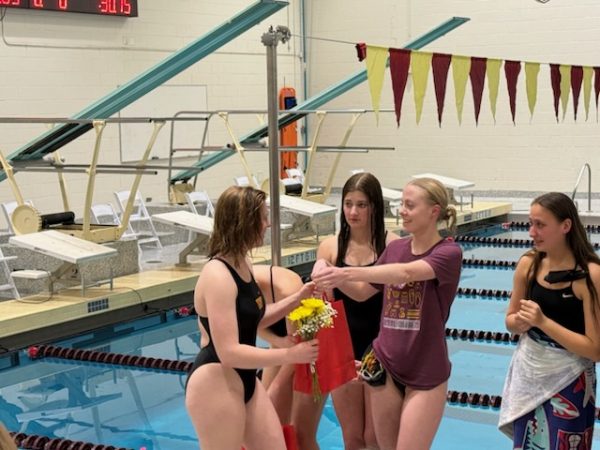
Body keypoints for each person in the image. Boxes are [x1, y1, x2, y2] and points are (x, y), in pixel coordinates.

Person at [312, 177, 462, 450]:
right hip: (384, 366)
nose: (402, 211)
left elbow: (405, 272)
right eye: (401, 204)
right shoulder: (395, 249)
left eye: (409, 205)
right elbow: (361, 293)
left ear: (434, 211)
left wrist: (341, 271)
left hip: (425, 370)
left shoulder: (448, 252)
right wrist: (328, 275)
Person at [185, 186, 319, 450]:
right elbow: (229, 352)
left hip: (244, 378)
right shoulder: (218, 276)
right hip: (215, 380)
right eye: (263, 217)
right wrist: (289, 355)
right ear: (244, 222)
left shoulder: (241, 264)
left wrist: (294, 299)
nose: (267, 224)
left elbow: (250, 320)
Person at [499, 192, 600, 449]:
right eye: (530, 223)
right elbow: (510, 321)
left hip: (570, 380)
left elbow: (595, 350)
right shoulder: (529, 265)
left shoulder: (589, 276)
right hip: (529, 374)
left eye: (540, 225)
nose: (532, 232)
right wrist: (518, 323)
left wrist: (543, 322)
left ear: (566, 226)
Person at [308, 172, 399, 450]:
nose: (353, 211)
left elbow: (363, 292)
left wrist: (333, 274)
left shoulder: (392, 245)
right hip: (343, 348)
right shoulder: (331, 246)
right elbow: (323, 306)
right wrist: (318, 285)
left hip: (380, 348)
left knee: (375, 438)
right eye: (348, 204)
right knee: (353, 437)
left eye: (362, 204)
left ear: (375, 207)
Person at [254, 264, 303, 425]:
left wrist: (277, 386)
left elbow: (298, 345)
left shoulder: (289, 290)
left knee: (301, 433)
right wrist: (279, 341)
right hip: (283, 348)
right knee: (267, 420)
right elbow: (255, 326)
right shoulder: (235, 289)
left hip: (310, 350)